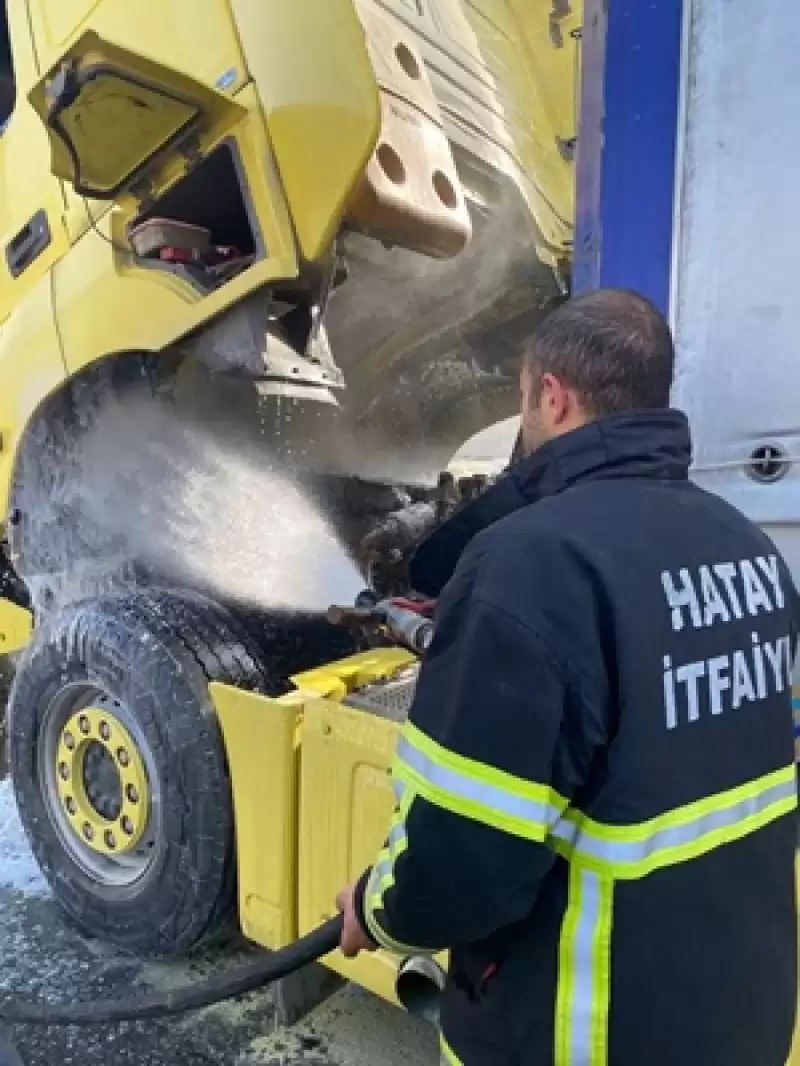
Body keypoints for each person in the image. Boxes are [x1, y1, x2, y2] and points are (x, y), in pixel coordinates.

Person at [335, 289, 800, 1066]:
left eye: (522, 402)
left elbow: (465, 852)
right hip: (740, 1016)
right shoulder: (749, 550)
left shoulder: (530, 564)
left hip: (588, 1032)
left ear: (552, 396)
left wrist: (380, 912)